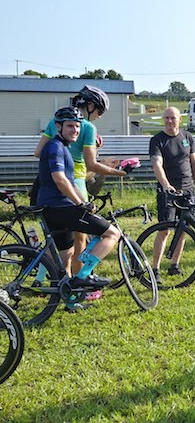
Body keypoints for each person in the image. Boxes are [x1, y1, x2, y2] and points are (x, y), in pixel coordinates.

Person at [33, 86, 130, 299]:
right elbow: (87, 166)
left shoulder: (58, 131)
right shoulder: (83, 131)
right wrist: (118, 172)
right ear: (91, 106)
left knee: (62, 247)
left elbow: (38, 152)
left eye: (76, 126)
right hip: (69, 189)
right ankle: (82, 280)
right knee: (84, 239)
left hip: (45, 190)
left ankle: (54, 286)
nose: (99, 116)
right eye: (100, 111)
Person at [149, 107, 195, 284]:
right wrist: (166, 185)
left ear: (180, 119)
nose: (169, 121)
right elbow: (157, 164)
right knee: (164, 230)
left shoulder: (187, 137)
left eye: (173, 118)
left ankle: (174, 264)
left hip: (187, 190)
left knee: (183, 229)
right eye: (166, 118)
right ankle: (155, 268)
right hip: (168, 192)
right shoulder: (157, 140)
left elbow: (194, 162)